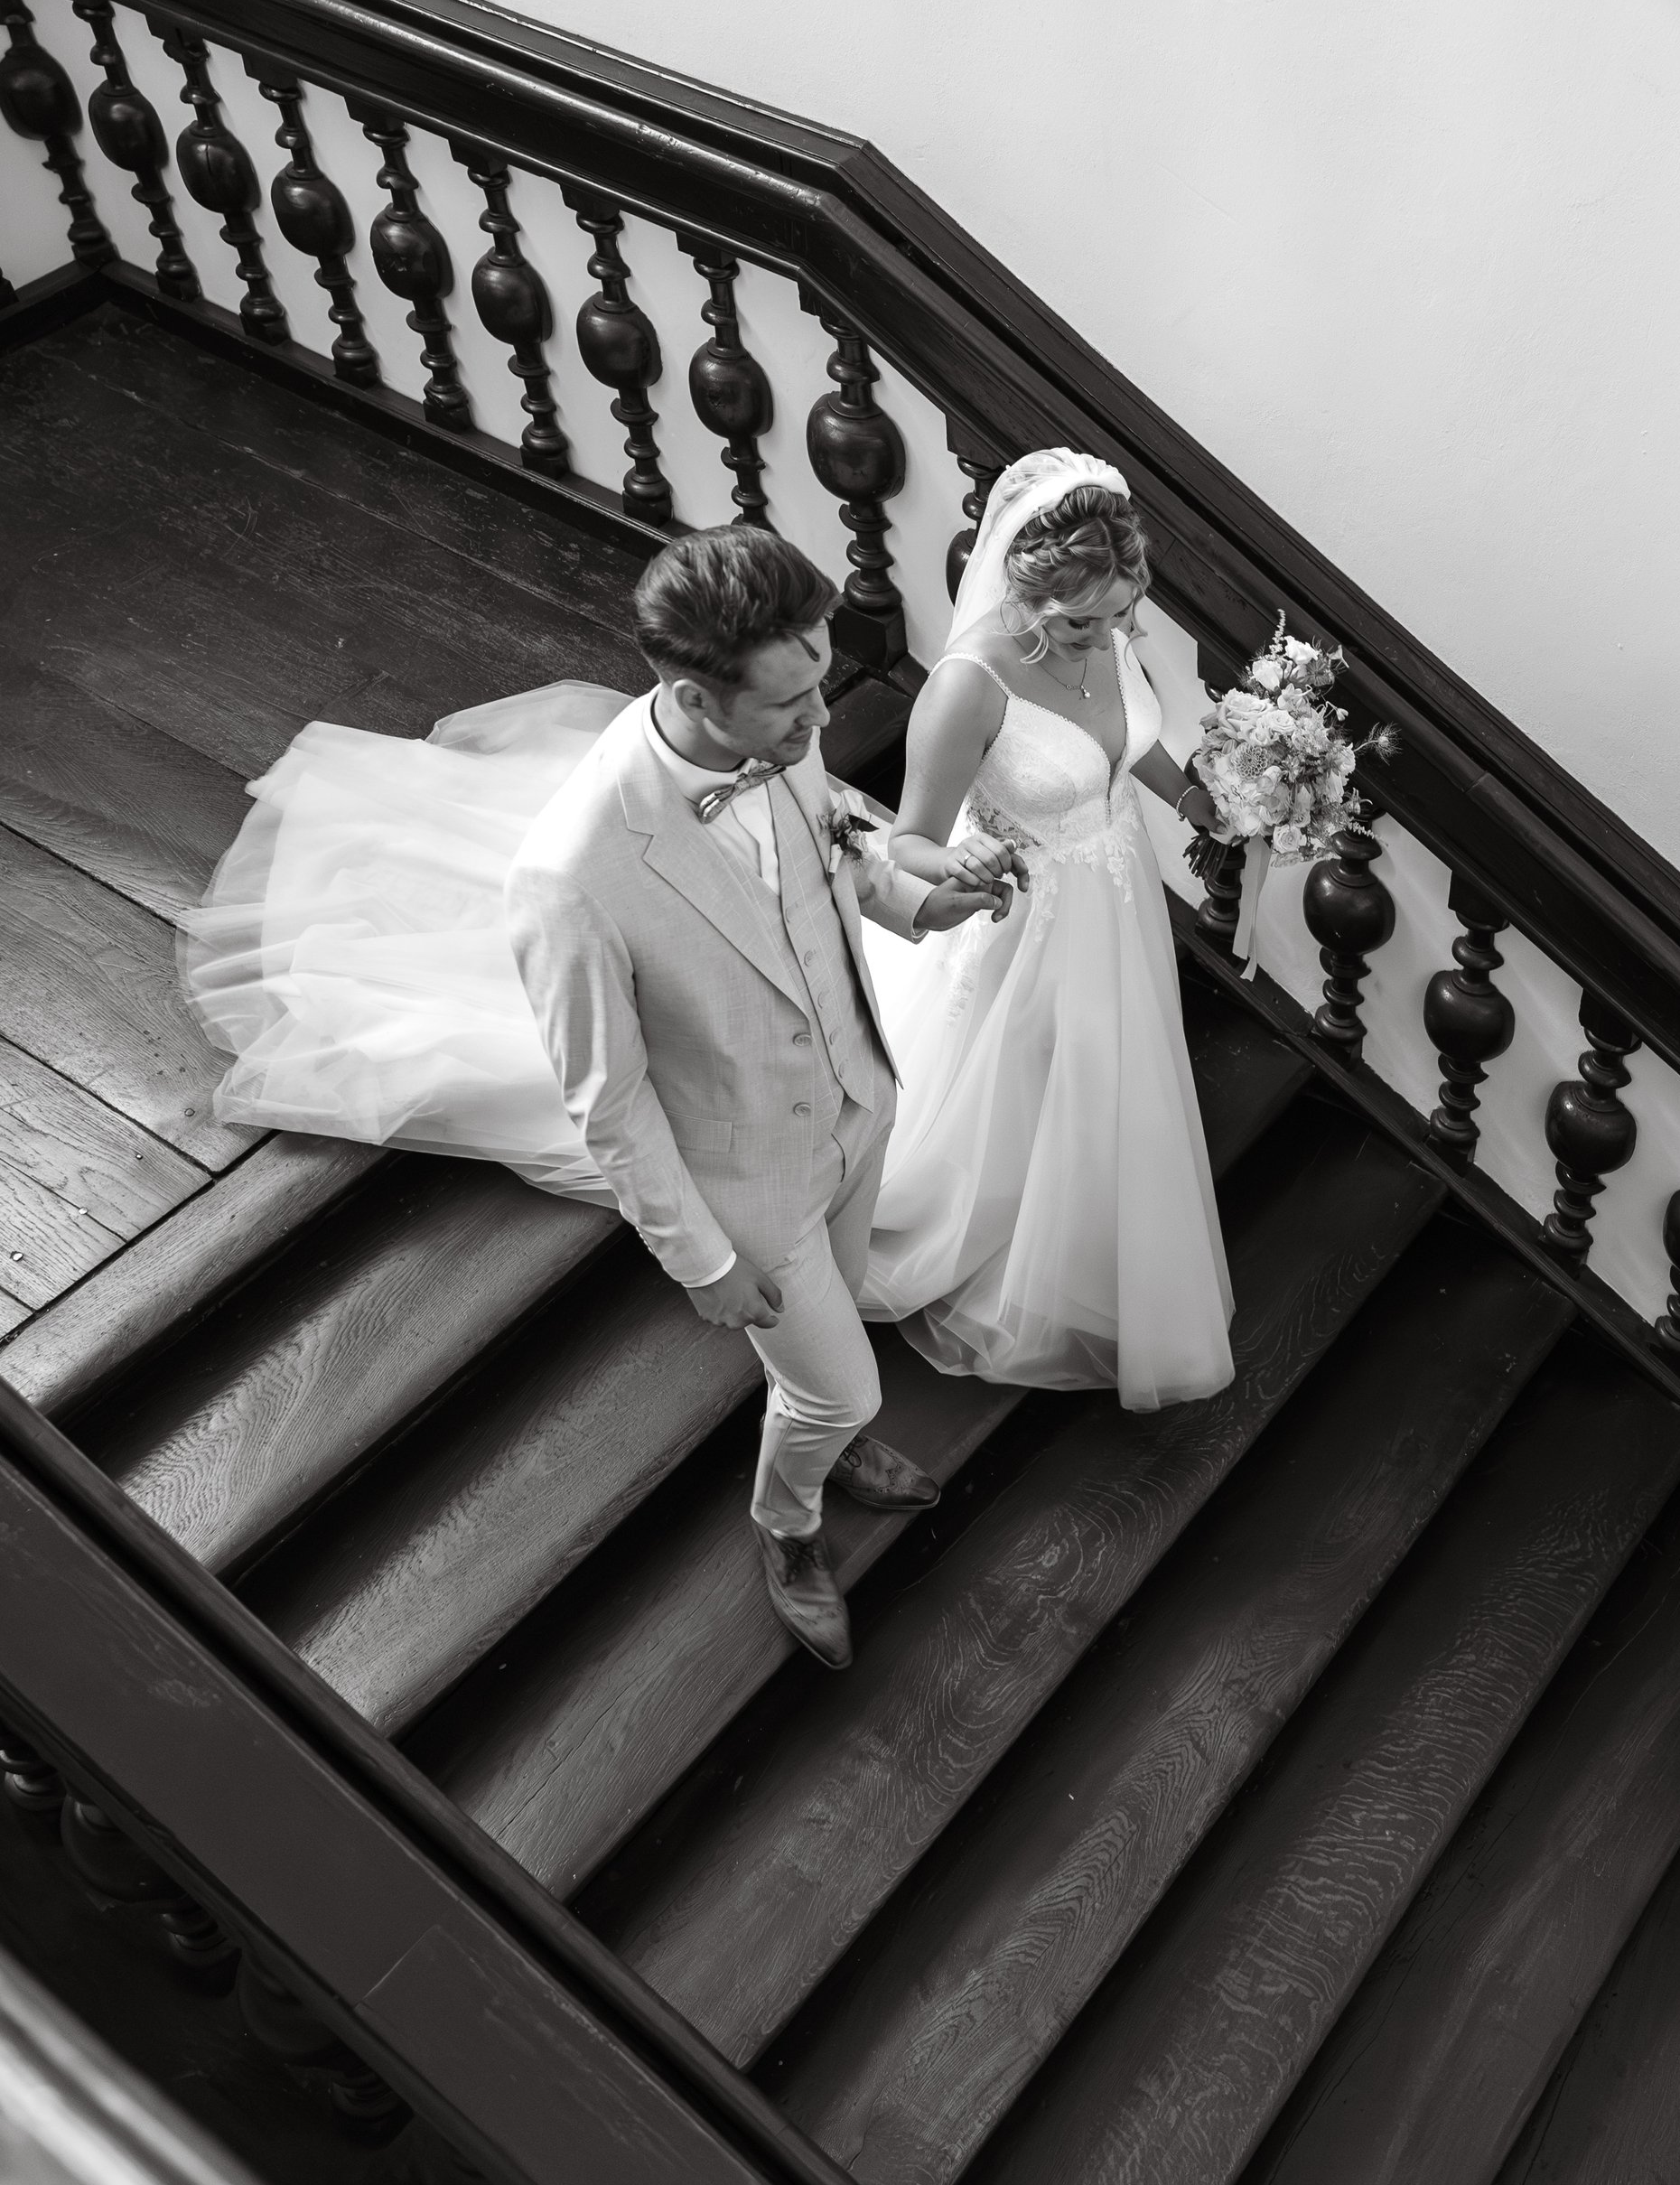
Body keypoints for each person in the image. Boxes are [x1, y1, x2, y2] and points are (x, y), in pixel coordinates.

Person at [181, 528, 1010, 1668]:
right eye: (791, 703)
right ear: (689, 694)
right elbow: (607, 1103)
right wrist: (702, 1263)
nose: (823, 722)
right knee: (835, 1392)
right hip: (742, 1184)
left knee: (843, 1337)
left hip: (860, 1098)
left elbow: (839, 863)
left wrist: (926, 910)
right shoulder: (572, 877)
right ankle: (790, 1524)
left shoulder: (787, 728)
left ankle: (831, 1431)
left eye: (823, 680)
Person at [856, 447, 1236, 1409]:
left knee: (1106, 1072)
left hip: (1118, 898)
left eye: (1121, 614)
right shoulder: (968, 686)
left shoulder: (1104, 629)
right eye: (1080, 622)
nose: (1108, 635)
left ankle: (1089, 1236)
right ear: (1024, 590)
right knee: (1024, 1075)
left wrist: (1201, 802)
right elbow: (904, 846)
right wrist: (966, 864)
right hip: (1021, 918)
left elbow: (1125, 744)